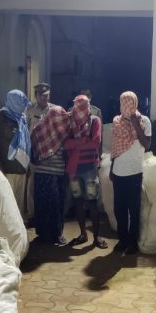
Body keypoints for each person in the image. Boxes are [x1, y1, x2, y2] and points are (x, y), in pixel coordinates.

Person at [110, 91, 151, 255]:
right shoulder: (117, 121)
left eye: (130, 103)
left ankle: (133, 243)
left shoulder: (144, 121)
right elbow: (115, 148)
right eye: (124, 102)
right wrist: (112, 168)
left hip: (135, 171)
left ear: (135, 103)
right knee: (119, 209)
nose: (127, 106)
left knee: (134, 209)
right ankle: (123, 240)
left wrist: (135, 124)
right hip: (118, 172)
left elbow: (146, 144)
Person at [64, 95, 107, 249]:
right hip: (74, 170)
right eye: (79, 106)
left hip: (89, 169)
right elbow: (66, 144)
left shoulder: (95, 120)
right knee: (78, 202)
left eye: (84, 106)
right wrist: (83, 140)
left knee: (92, 202)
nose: (81, 109)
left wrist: (75, 144)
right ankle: (83, 234)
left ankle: (96, 236)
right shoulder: (70, 122)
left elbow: (95, 142)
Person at [31, 105, 71, 245]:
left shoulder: (39, 129)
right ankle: (53, 234)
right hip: (54, 172)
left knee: (45, 203)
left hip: (45, 172)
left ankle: (48, 234)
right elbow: (32, 147)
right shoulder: (61, 131)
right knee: (54, 204)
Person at [0, 89, 31, 217]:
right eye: (22, 103)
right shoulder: (1, 117)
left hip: (21, 169)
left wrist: (27, 166)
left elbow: (26, 143)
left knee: (18, 208)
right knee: (7, 208)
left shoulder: (22, 118)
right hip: (7, 170)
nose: (24, 106)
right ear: (15, 102)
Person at [25, 83, 54, 224]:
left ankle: (46, 214)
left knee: (48, 185)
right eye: (41, 95)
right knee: (32, 186)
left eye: (46, 95)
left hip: (51, 154)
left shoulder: (54, 110)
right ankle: (33, 215)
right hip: (34, 152)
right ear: (36, 96)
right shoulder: (29, 110)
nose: (44, 97)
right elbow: (25, 131)